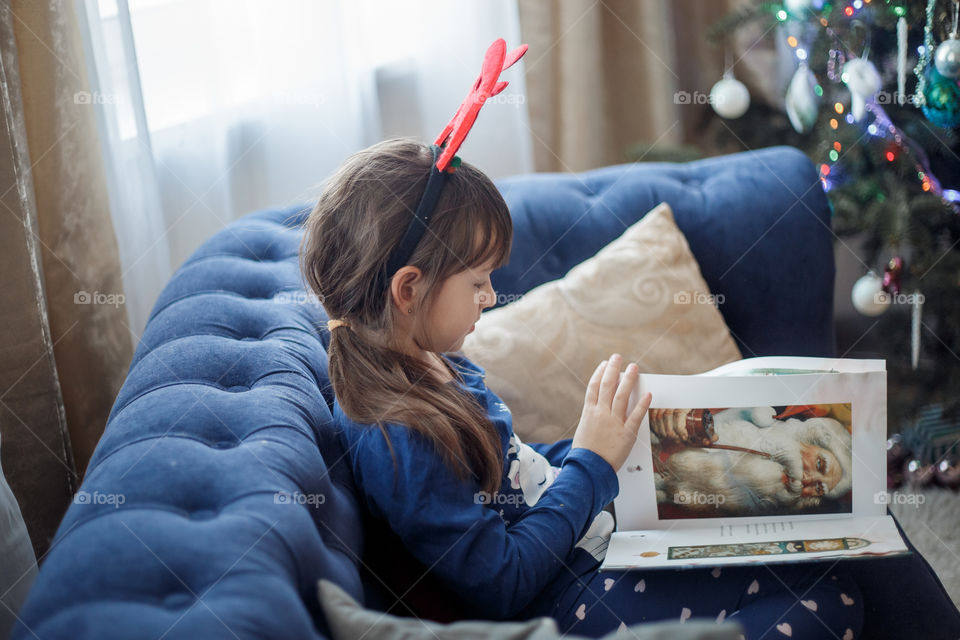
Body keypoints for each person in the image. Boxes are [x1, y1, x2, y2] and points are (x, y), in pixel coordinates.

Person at [299, 137, 864, 639]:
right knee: (828, 599)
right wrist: (593, 464)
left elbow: (513, 472)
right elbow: (503, 580)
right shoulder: (397, 436)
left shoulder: (436, 361)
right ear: (408, 289)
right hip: (570, 598)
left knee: (813, 547)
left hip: (591, 545)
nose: (491, 296)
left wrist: (625, 457)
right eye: (477, 281)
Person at [649, 407, 854, 516]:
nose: (807, 479)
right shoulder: (756, 421)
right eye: (819, 464)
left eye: (818, 487)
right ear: (809, 441)